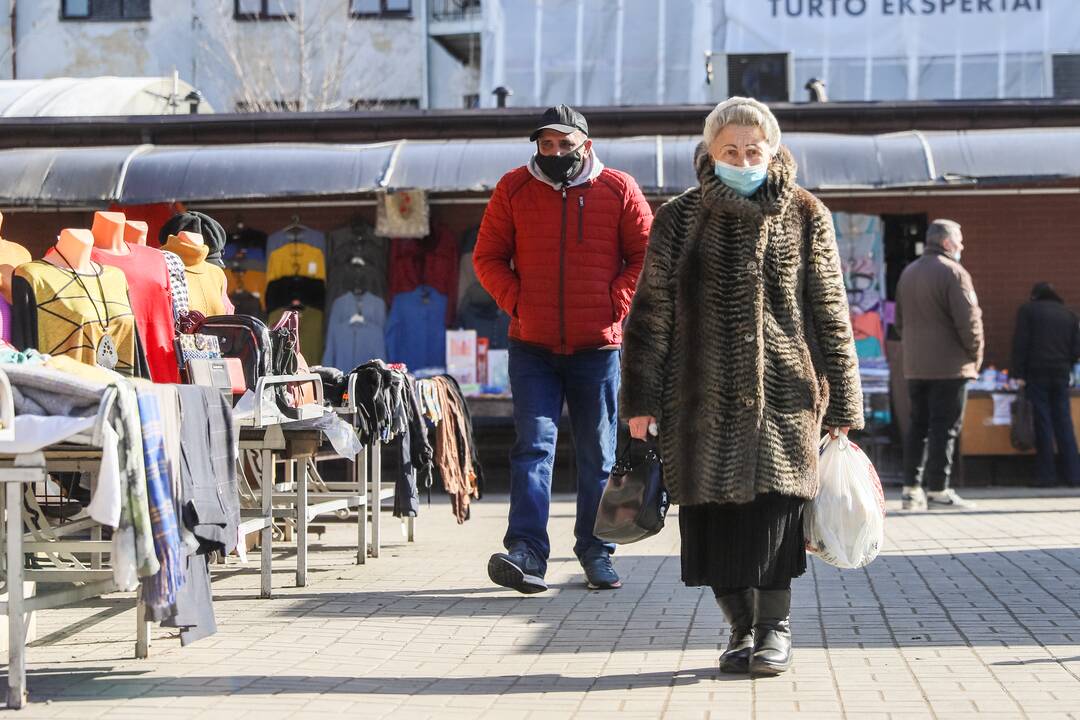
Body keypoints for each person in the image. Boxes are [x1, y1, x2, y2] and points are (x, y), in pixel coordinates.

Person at [621, 97, 863, 676]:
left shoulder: (806, 213)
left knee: (774, 519)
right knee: (712, 525)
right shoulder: (679, 217)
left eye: (754, 149)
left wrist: (845, 400)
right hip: (697, 397)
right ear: (709, 151)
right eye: (730, 149)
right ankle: (738, 628)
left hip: (784, 395)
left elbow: (830, 308)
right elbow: (651, 314)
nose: (743, 158)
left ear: (774, 149)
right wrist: (640, 401)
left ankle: (774, 628)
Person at [473, 105, 653, 594]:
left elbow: (645, 255)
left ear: (585, 145)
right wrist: (518, 302)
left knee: (597, 453)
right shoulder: (513, 187)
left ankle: (597, 552)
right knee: (533, 448)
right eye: (545, 145)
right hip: (532, 346)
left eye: (564, 145)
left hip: (597, 348)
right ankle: (527, 552)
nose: (554, 153)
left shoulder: (619, 189)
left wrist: (614, 304)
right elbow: (487, 256)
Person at [895, 219, 984, 510]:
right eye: (959, 241)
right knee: (944, 428)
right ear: (946, 243)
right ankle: (938, 489)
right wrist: (975, 356)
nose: (962, 246)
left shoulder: (908, 273)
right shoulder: (954, 273)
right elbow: (969, 322)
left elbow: (898, 323)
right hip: (950, 366)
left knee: (917, 426)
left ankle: (911, 490)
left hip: (915, 366)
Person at [1011, 282, 1080, 487]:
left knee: (1042, 422)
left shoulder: (1028, 311)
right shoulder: (1069, 314)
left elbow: (1020, 343)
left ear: (1035, 296)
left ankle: (1046, 476)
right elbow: (1077, 350)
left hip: (1036, 373)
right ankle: (1074, 475)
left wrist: (1019, 373)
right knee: (1064, 422)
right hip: (1061, 373)